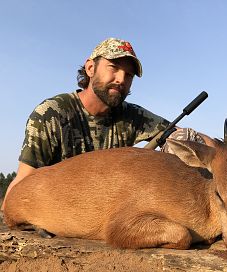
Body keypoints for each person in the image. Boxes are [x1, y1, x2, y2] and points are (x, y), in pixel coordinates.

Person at [1, 37, 172, 210]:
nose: (121, 79)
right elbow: (22, 185)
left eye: (129, 75)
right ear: (90, 68)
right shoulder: (51, 114)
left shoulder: (133, 116)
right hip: (57, 211)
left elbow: (180, 134)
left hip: (103, 213)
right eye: (114, 67)